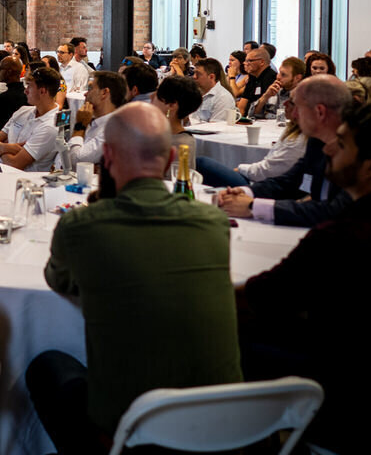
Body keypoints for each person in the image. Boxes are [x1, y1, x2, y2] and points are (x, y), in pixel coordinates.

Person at [238, 102, 371, 455]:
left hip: (353, 412)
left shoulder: (343, 237)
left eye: (342, 143)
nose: (328, 149)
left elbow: (257, 301)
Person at [27, 103, 242, 453]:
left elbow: (59, 281)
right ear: (172, 155)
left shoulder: (83, 226)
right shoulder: (213, 222)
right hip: (227, 427)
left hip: (133, 431)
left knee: (46, 366)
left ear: (106, 156)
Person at [217, 75, 352, 227]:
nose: (293, 115)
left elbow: (336, 212)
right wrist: (245, 192)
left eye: (296, 107)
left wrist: (253, 206)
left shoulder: (358, 150)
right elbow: (288, 181)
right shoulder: (317, 142)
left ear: (320, 112)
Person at [197, 95, 308, 189]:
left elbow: (266, 172)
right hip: (262, 181)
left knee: (202, 163)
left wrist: (240, 169)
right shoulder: (294, 134)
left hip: (260, 186)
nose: (284, 104)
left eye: (291, 102)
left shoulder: (298, 141)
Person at [0, 66, 61, 171]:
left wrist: (1, 148)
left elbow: (15, 164)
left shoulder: (50, 126)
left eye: (29, 87)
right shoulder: (23, 111)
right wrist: (8, 148)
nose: (25, 91)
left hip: (16, 180)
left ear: (42, 91)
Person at [66, 70, 126, 167]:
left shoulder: (113, 130)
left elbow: (74, 161)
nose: (85, 94)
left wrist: (80, 126)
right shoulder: (94, 121)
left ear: (104, 93)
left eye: (90, 88)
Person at [152, 75, 203, 171]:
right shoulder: (158, 133)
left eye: (158, 94)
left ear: (171, 105)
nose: (152, 96)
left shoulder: (181, 144)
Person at [189, 57, 237, 124]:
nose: (194, 77)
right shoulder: (195, 93)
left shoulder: (223, 98)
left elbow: (215, 128)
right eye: (194, 73)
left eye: (198, 74)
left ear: (211, 77)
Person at [236, 47, 276, 117]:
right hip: (248, 119)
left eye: (249, 61)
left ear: (262, 62)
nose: (245, 64)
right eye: (245, 61)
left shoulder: (272, 78)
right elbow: (242, 106)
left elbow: (263, 109)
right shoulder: (252, 77)